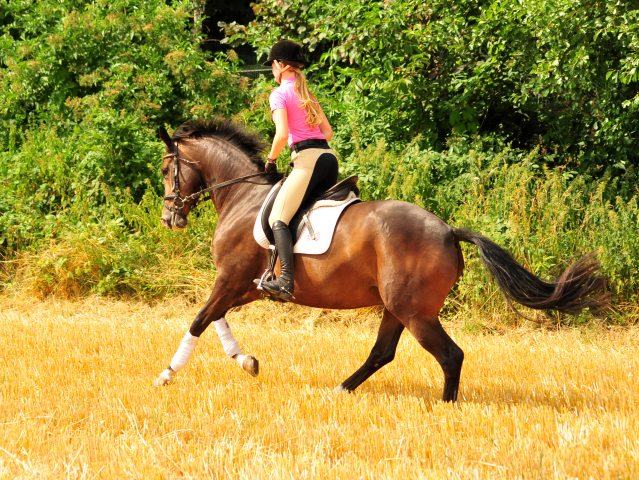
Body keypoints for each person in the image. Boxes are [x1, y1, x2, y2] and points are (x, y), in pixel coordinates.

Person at [257, 39, 338, 301]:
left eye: (272, 65)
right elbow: (328, 132)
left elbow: (281, 135)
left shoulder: (279, 93)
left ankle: (285, 282)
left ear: (281, 65)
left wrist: (270, 161)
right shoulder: (307, 94)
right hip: (329, 159)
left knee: (277, 219)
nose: (272, 69)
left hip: (308, 160)